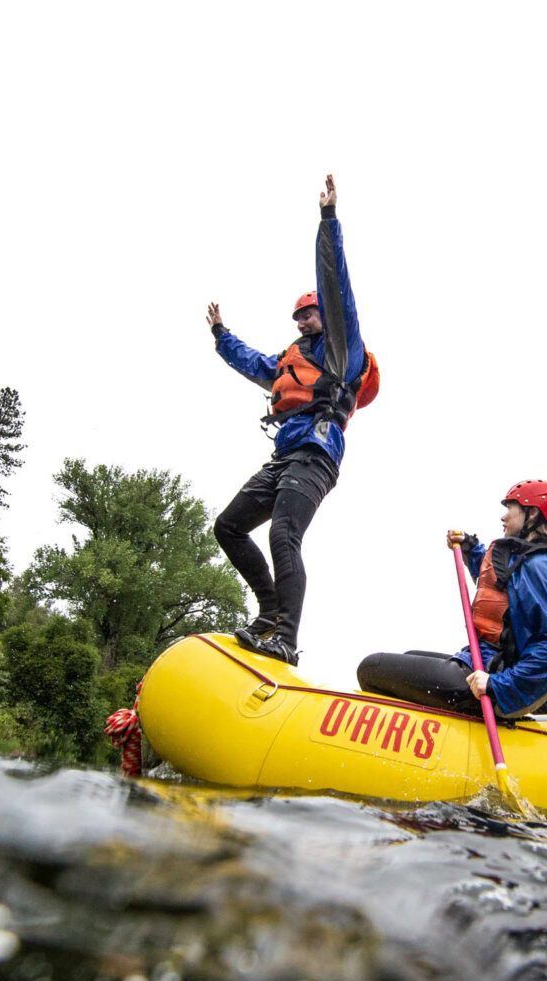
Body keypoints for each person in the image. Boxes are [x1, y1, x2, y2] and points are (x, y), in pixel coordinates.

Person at [205, 173, 377, 665]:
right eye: (297, 316)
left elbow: (336, 286)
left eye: (310, 313)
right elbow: (255, 365)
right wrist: (222, 335)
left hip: (318, 455)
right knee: (229, 526)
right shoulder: (291, 358)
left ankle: (285, 637)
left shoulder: (343, 351)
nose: (303, 320)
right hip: (285, 455)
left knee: (284, 534)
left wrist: (329, 222)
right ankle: (269, 612)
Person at [358, 481, 547, 718]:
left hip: (493, 678)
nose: (504, 516)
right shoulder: (522, 558)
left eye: (511, 508)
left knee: (370, 668)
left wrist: (499, 684)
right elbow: (497, 583)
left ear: (533, 513)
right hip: (483, 661)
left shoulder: (540, 567)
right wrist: (469, 546)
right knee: (409, 655)